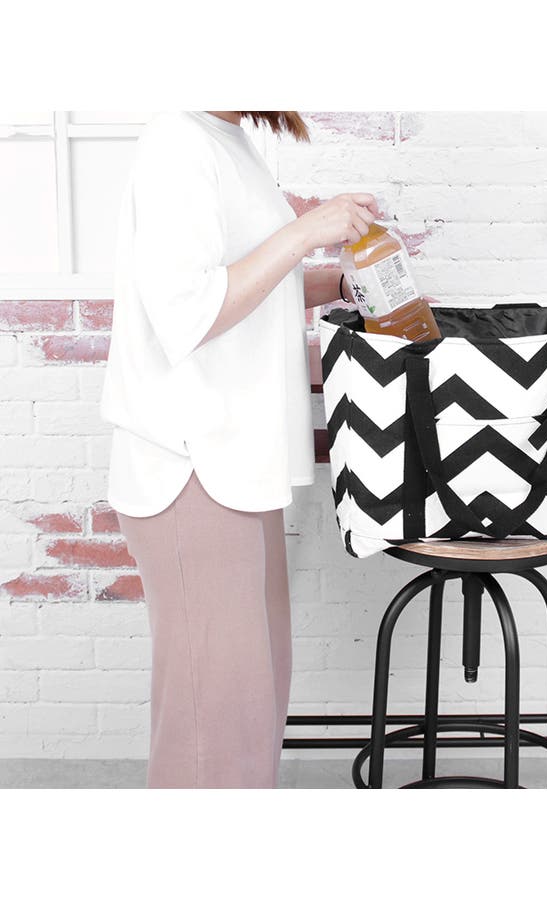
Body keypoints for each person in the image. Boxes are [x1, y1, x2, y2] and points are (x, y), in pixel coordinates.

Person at [99, 110, 378, 788]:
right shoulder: (178, 144)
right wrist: (306, 230)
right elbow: (186, 311)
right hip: (190, 464)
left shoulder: (228, 142)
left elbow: (249, 280)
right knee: (213, 729)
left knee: (249, 708)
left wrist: (342, 283)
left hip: (235, 464)